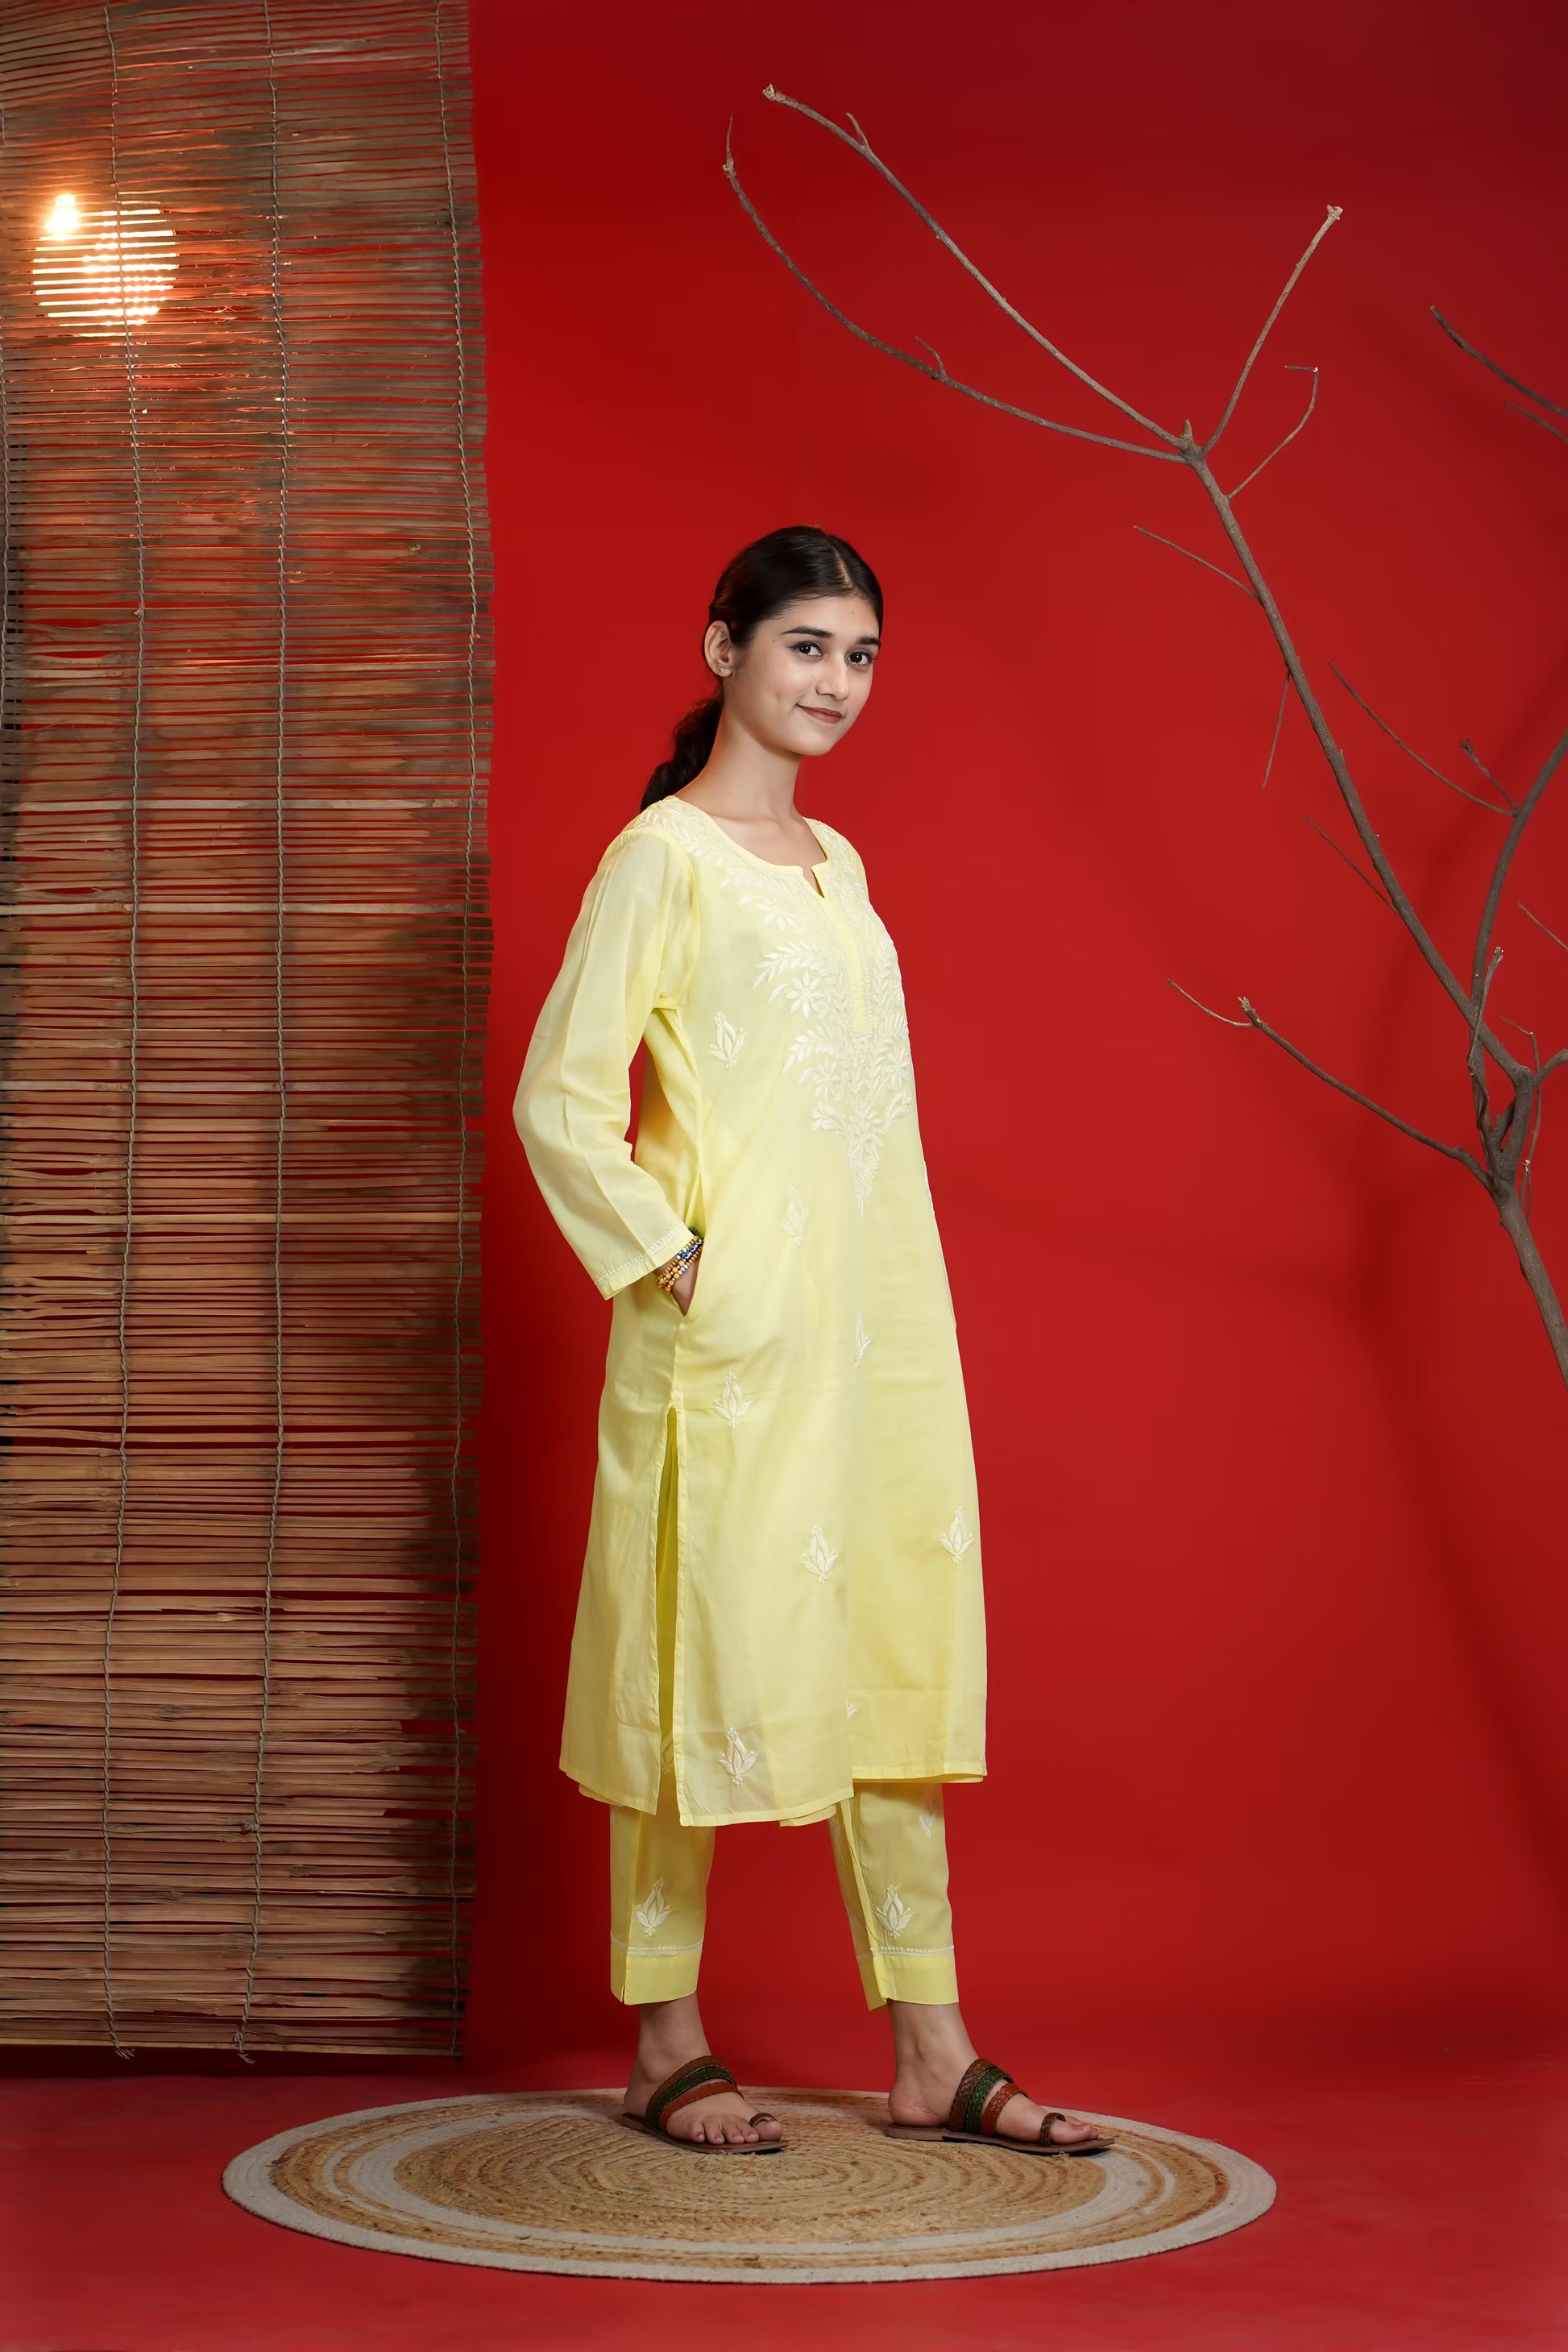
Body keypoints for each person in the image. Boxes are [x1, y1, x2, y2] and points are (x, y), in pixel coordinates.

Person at [514, 525, 1108, 2158]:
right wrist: (677, 1261)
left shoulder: (839, 868)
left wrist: (848, 1295)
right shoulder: (661, 858)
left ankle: (933, 2040)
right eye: (804, 648)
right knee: (687, 1651)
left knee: (889, 1655)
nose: (834, 683)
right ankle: (664, 2032)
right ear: (723, 650)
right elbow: (561, 1095)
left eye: (859, 657)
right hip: (729, 1341)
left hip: (876, 1332)